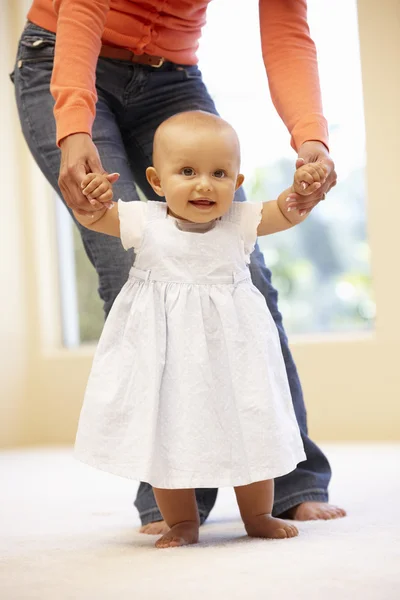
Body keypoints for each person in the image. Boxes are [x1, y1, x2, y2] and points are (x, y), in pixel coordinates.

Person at [11, 0, 345, 534]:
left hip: (173, 75)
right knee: (132, 272)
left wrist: (311, 141)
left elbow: (286, 30)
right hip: (64, 55)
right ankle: (174, 501)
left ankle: (290, 483)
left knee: (243, 278)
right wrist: (73, 126)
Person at [73, 111, 328, 549]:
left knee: (251, 428)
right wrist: (93, 198)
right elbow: (95, 219)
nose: (204, 184)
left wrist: (300, 192)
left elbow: (285, 212)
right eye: (187, 172)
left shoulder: (240, 221)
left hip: (237, 356)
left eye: (219, 173)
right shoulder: (144, 221)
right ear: (156, 180)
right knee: (168, 436)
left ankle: (259, 514)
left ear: (237, 179)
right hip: (167, 358)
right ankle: (182, 522)